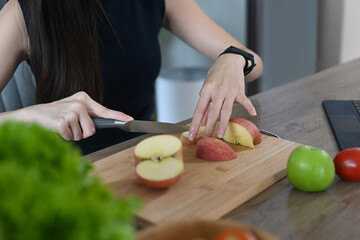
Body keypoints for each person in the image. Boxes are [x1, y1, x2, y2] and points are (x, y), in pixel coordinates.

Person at [0, 0, 263, 154]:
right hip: (70, 179)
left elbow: (254, 61)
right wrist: (28, 116)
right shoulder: (24, 11)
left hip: (143, 154)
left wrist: (233, 59)